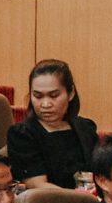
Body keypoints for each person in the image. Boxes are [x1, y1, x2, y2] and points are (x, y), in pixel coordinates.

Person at [8, 59, 99, 189]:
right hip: (50, 200)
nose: (45, 104)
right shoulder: (22, 134)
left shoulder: (86, 128)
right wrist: (80, 198)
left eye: (54, 95)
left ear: (71, 93)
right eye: (38, 96)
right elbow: (37, 185)